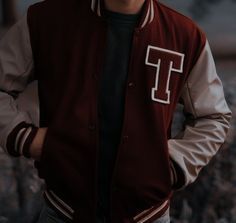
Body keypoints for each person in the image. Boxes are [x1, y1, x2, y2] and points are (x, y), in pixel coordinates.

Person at [0, 0, 232, 223]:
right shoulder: (45, 20)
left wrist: (172, 164)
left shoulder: (185, 36)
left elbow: (213, 117)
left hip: (148, 216)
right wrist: (26, 138)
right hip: (63, 211)